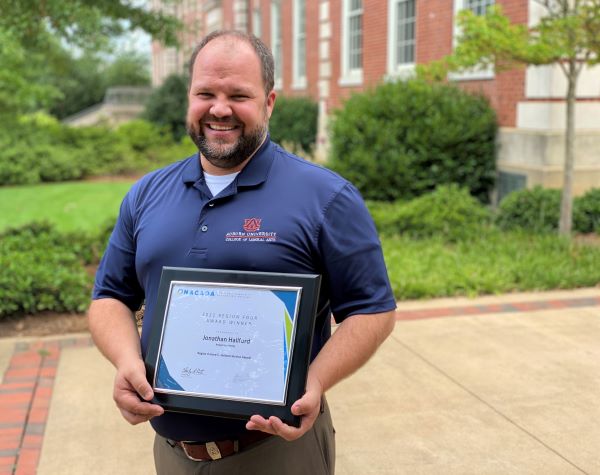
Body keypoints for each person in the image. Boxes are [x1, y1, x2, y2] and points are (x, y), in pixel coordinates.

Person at [88, 30, 396, 475]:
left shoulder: (326, 198)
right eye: (205, 93)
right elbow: (109, 297)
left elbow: (373, 309)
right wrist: (126, 362)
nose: (219, 108)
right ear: (188, 98)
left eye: (239, 95)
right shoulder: (146, 194)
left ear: (269, 102)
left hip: (274, 452)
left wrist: (315, 380)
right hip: (172, 454)